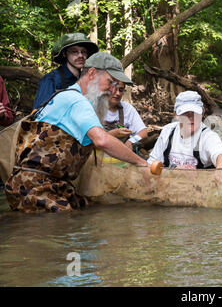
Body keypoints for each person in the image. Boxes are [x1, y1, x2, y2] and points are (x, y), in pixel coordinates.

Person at [5, 52, 149, 213]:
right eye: (110, 82)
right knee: (71, 221)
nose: (113, 90)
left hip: (53, 183)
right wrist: (142, 163)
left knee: (89, 210)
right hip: (33, 186)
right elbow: (101, 141)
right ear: (92, 73)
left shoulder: (67, 96)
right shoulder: (77, 101)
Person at [147, 91, 222, 169]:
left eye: (195, 113)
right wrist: (174, 172)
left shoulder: (208, 136)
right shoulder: (168, 131)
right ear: (176, 114)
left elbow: (220, 154)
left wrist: (221, 166)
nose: (191, 118)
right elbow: (152, 163)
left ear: (202, 113)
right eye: (185, 113)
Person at [33, 33, 99, 109]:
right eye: (74, 52)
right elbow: (39, 113)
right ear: (64, 54)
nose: (80, 55)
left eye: (83, 52)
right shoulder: (51, 80)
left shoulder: (87, 79)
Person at [103, 81, 148, 149]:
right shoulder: (93, 108)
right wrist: (113, 134)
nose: (118, 93)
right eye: (114, 89)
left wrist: (131, 141)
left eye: (121, 90)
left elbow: (143, 132)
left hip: (120, 155)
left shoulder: (127, 108)